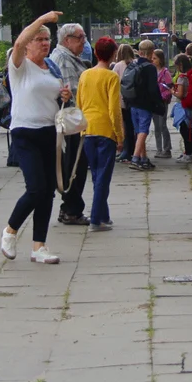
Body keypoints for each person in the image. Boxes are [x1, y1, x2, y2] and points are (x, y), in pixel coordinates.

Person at [0, 10, 70, 265]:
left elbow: (55, 95)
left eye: (47, 39)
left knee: (48, 192)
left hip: (50, 132)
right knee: (36, 188)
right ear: (28, 43)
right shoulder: (19, 65)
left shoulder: (50, 66)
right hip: (25, 132)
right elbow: (18, 43)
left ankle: (38, 246)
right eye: (39, 38)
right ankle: (10, 231)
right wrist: (42, 19)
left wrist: (64, 96)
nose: (44, 42)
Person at [77, 37, 124, 232]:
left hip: (87, 128)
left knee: (97, 174)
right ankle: (96, 219)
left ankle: (103, 215)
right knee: (104, 176)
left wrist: (81, 128)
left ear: (95, 53)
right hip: (105, 130)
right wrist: (119, 135)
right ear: (114, 55)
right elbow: (114, 109)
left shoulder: (85, 75)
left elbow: (78, 103)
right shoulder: (112, 77)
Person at [52, 23, 92, 226]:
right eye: (80, 37)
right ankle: (71, 210)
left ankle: (69, 208)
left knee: (75, 165)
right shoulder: (64, 59)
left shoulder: (68, 57)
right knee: (75, 165)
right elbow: (73, 92)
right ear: (67, 40)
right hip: (72, 122)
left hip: (71, 121)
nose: (84, 40)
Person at [126, 40, 167, 170]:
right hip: (144, 104)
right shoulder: (150, 68)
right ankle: (135, 158)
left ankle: (144, 159)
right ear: (151, 52)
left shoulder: (132, 65)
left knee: (138, 131)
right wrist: (158, 103)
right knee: (143, 131)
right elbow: (152, 89)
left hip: (132, 102)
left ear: (139, 51)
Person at [112, 44, 137, 163]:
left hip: (122, 100)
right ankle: (134, 150)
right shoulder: (136, 63)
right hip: (134, 99)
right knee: (132, 126)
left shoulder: (118, 65)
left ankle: (125, 151)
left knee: (125, 127)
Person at [172, 54, 192, 161]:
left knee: (185, 131)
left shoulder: (182, 78)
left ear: (181, 65)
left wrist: (172, 91)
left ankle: (189, 153)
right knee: (190, 131)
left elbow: (180, 94)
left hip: (183, 107)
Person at [151, 49, 174, 159]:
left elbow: (169, 86)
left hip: (162, 101)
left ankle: (167, 148)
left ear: (160, 59)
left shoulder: (165, 72)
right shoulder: (152, 71)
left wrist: (165, 95)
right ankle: (159, 149)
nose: (153, 60)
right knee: (156, 126)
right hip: (154, 101)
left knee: (162, 125)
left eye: (155, 58)